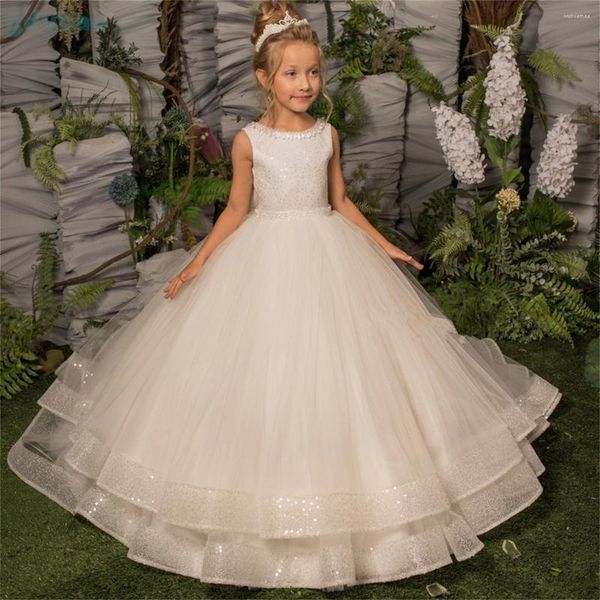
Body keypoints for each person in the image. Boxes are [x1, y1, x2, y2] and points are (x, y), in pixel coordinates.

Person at [7, 0, 562, 592]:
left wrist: (384, 246)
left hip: (331, 257)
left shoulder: (327, 134)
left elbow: (341, 202)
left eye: (314, 71)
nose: (305, 83)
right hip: (262, 260)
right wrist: (196, 266)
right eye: (292, 73)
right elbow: (236, 211)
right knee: (262, 374)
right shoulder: (249, 141)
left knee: (350, 374)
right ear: (264, 78)